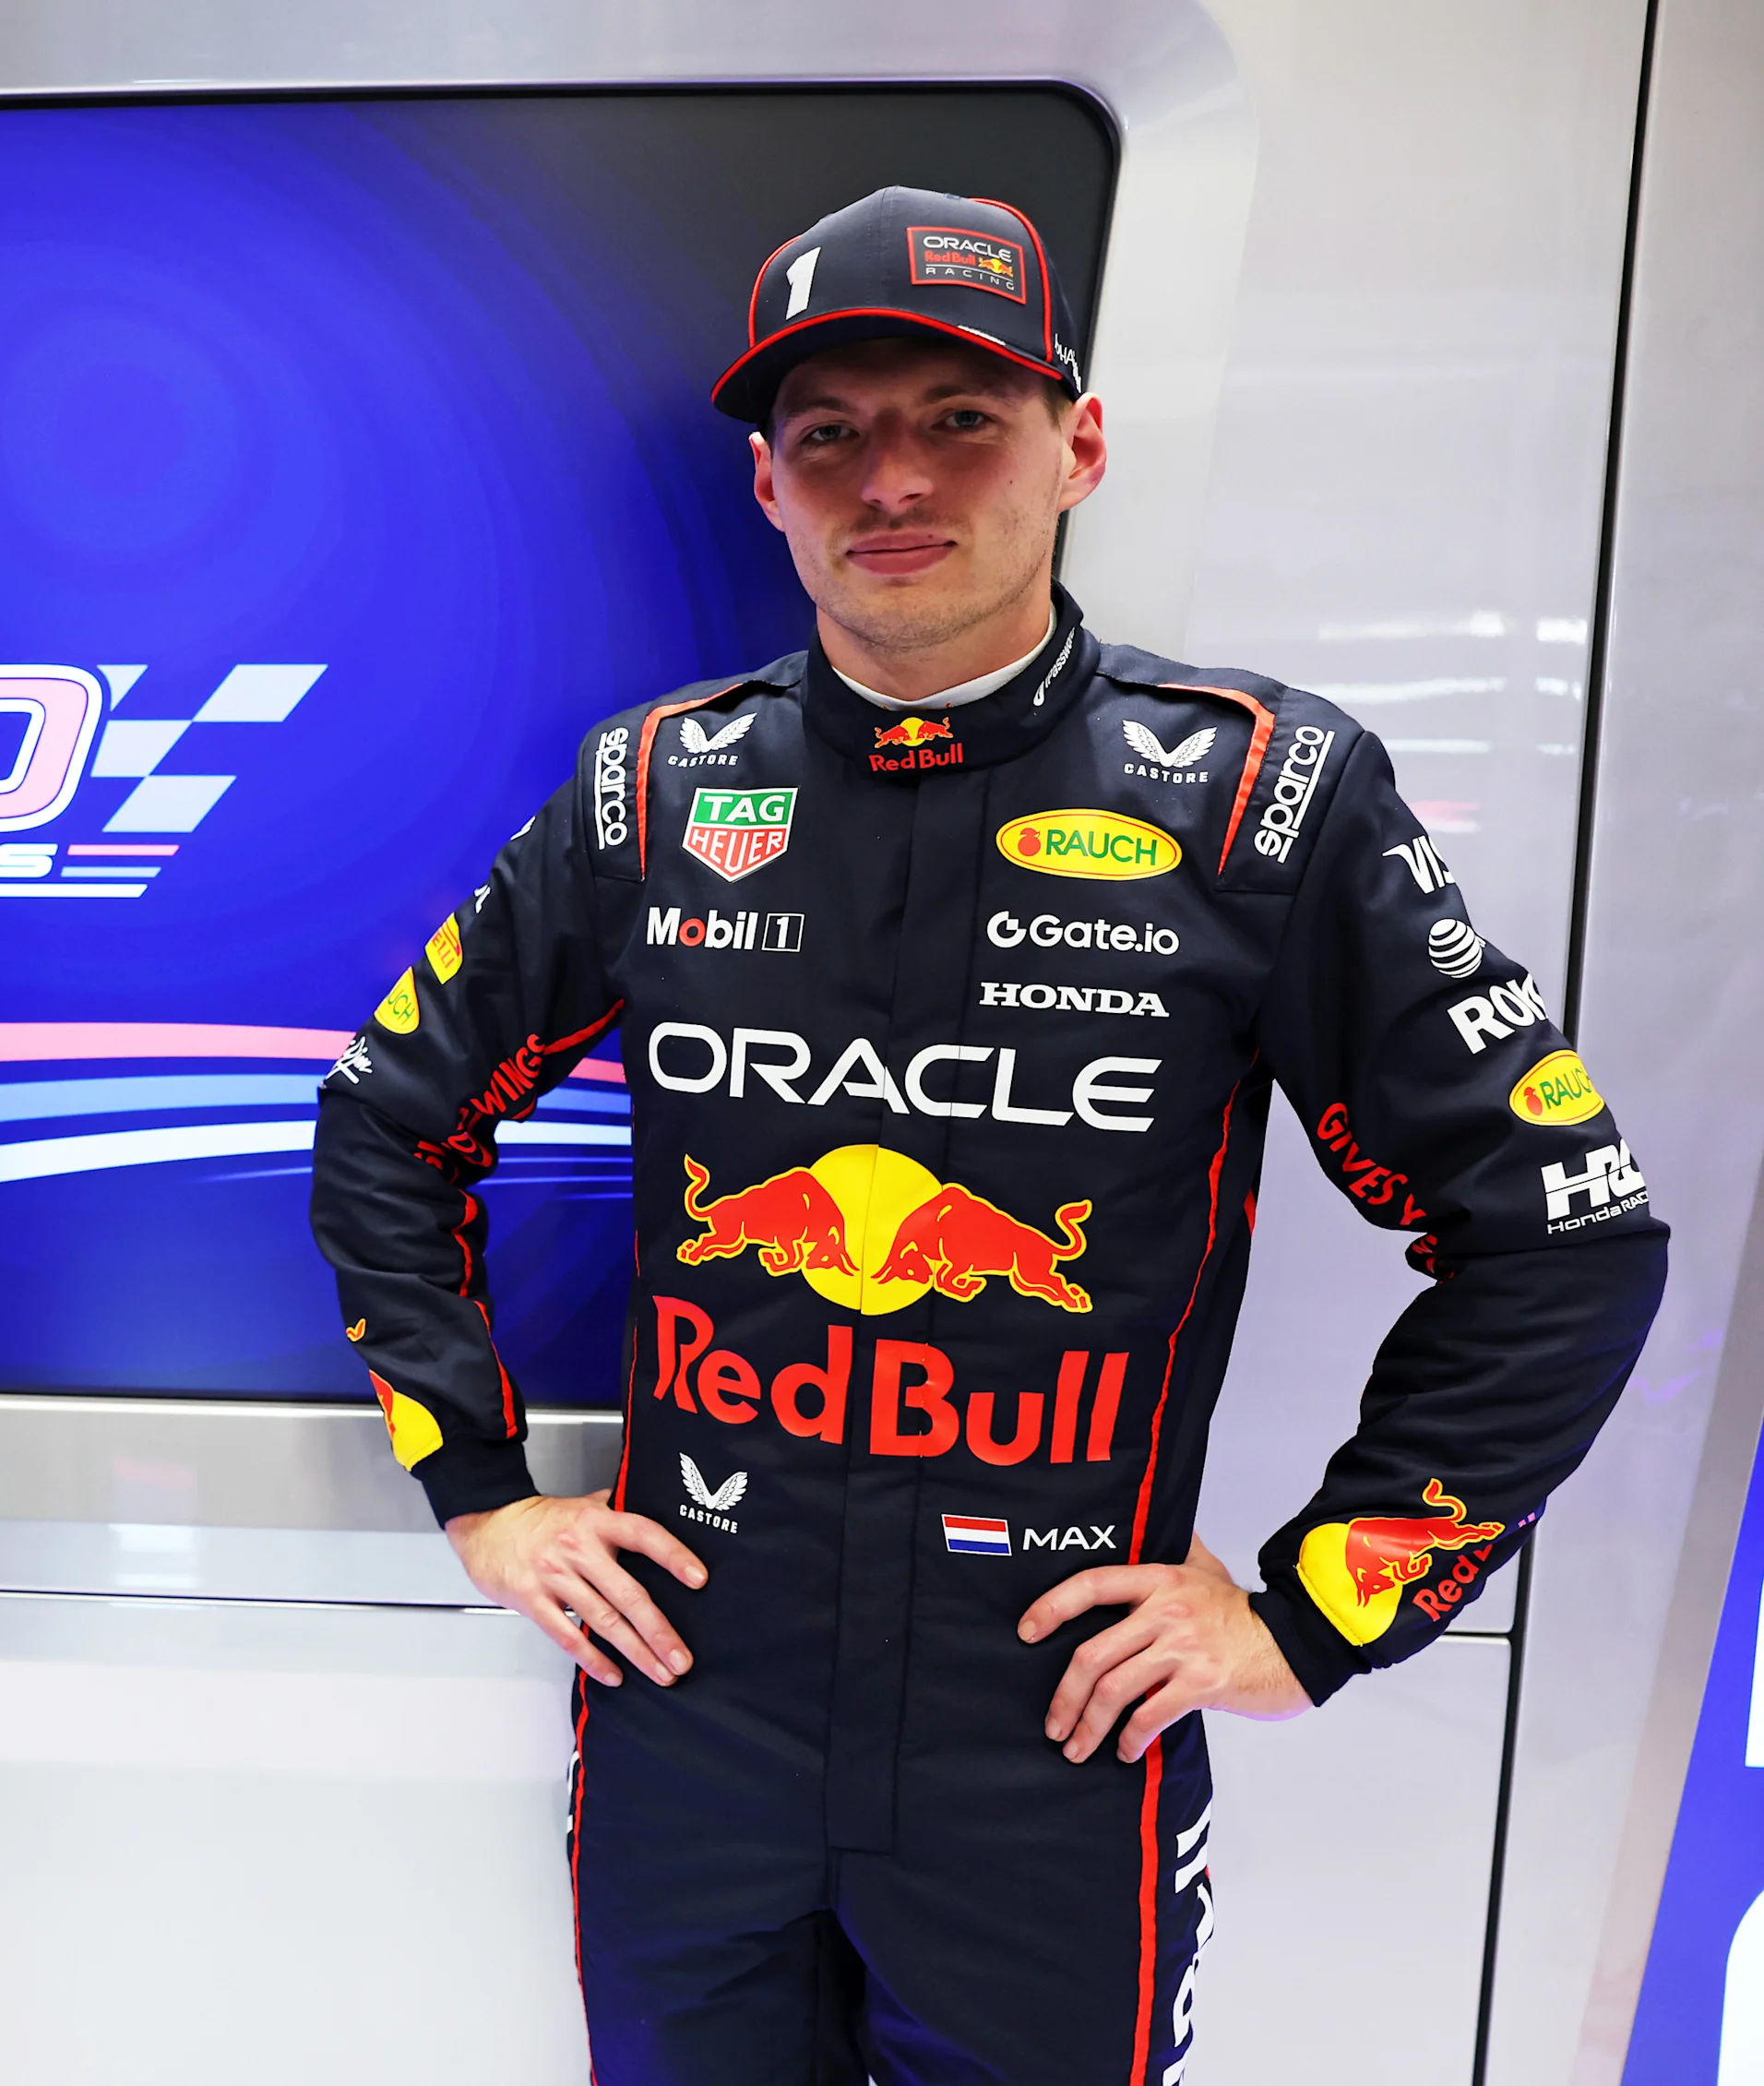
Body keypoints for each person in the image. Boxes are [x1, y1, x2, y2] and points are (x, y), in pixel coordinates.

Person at [308, 185, 1666, 2085]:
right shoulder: (654, 787)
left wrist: (1325, 1598)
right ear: (768, 489)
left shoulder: (1263, 797)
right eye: (829, 432)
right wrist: (480, 1487)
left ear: (1075, 446)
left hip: (1048, 1733)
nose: (893, 476)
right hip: (691, 1704)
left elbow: (1564, 1232)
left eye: (961, 415)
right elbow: (389, 1118)